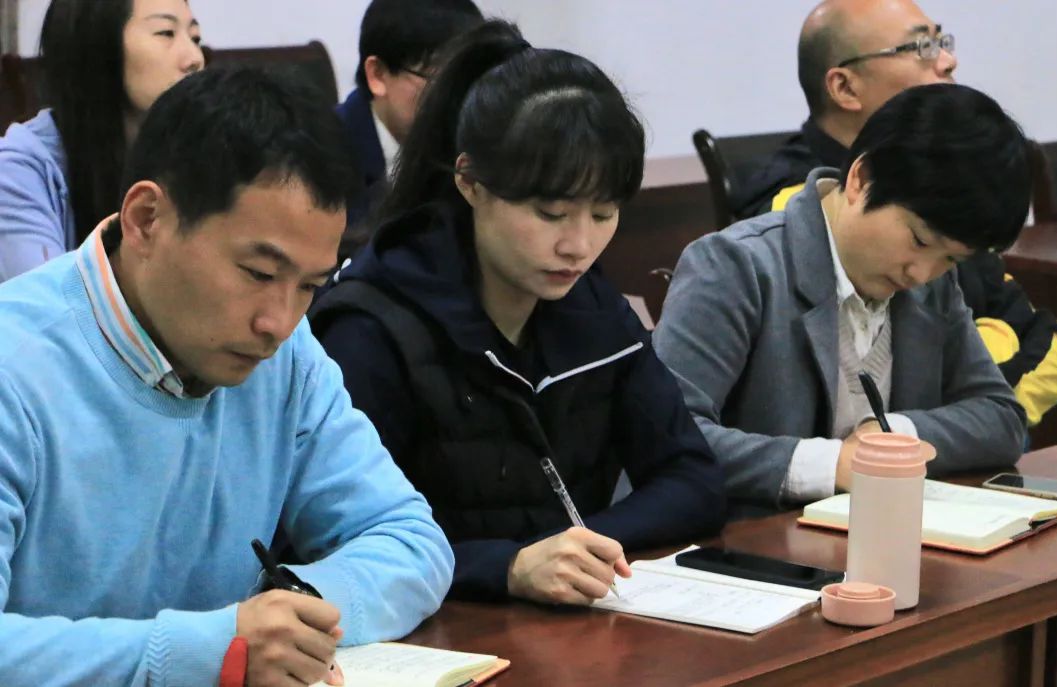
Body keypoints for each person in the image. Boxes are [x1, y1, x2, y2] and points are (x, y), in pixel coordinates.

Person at [0, 66, 452, 687]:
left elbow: (409, 540)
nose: (279, 322)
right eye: (258, 274)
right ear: (147, 218)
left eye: (310, 286)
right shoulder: (17, 365)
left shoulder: (286, 357)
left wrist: (289, 614)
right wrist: (214, 648)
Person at [311, 20, 727, 605]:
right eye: (550, 214)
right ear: (469, 182)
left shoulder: (591, 306)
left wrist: (581, 548)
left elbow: (694, 479)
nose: (578, 246)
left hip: (570, 620)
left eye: (603, 214)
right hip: (427, 631)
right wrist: (508, 566)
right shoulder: (371, 328)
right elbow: (337, 541)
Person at [653, 84, 1029, 517]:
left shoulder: (934, 286)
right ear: (861, 179)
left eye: (951, 259)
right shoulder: (736, 266)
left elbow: (1001, 418)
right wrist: (835, 465)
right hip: (747, 541)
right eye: (919, 240)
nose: (921, 274)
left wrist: (891, 436)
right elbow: (667, 435)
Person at [729, 0, 1057, 429]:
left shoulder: (950, 191)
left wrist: (961, 403)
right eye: (920, 47)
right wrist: (958, 394)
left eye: (941, 41)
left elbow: (1039, 338)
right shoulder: (797, 209)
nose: (948, 61)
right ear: (845, 87)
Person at [0, 0, 205, 283]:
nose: (195, 58)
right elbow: (46, 303)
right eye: (166, 33)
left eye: (195, 38)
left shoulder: (202, 152)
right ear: (96, 47)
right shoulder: (20, 171)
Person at [335, 0, 483, 260]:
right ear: (378, 75)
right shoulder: (323, 153)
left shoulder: (468, 145)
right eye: (438, 78)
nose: (457, 97)